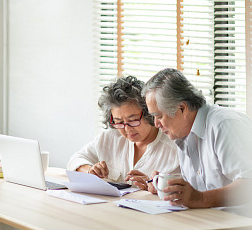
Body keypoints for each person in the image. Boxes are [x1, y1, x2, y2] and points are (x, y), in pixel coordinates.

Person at [142, 68, 252, 210]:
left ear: (182, 108)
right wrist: (168, 187)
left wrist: (201, 198)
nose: (156, 124)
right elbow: (199, 189)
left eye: (159, 116)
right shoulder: (183, 133)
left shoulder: (225, 125)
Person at [67, 76, 179, 190]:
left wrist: (155, 187)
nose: (127, 129)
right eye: (119, 122)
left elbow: (184, 192)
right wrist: (90, 171)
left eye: (133, 120)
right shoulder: (110, 138)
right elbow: (76, 159)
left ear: (148, 113)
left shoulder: (174, 148)